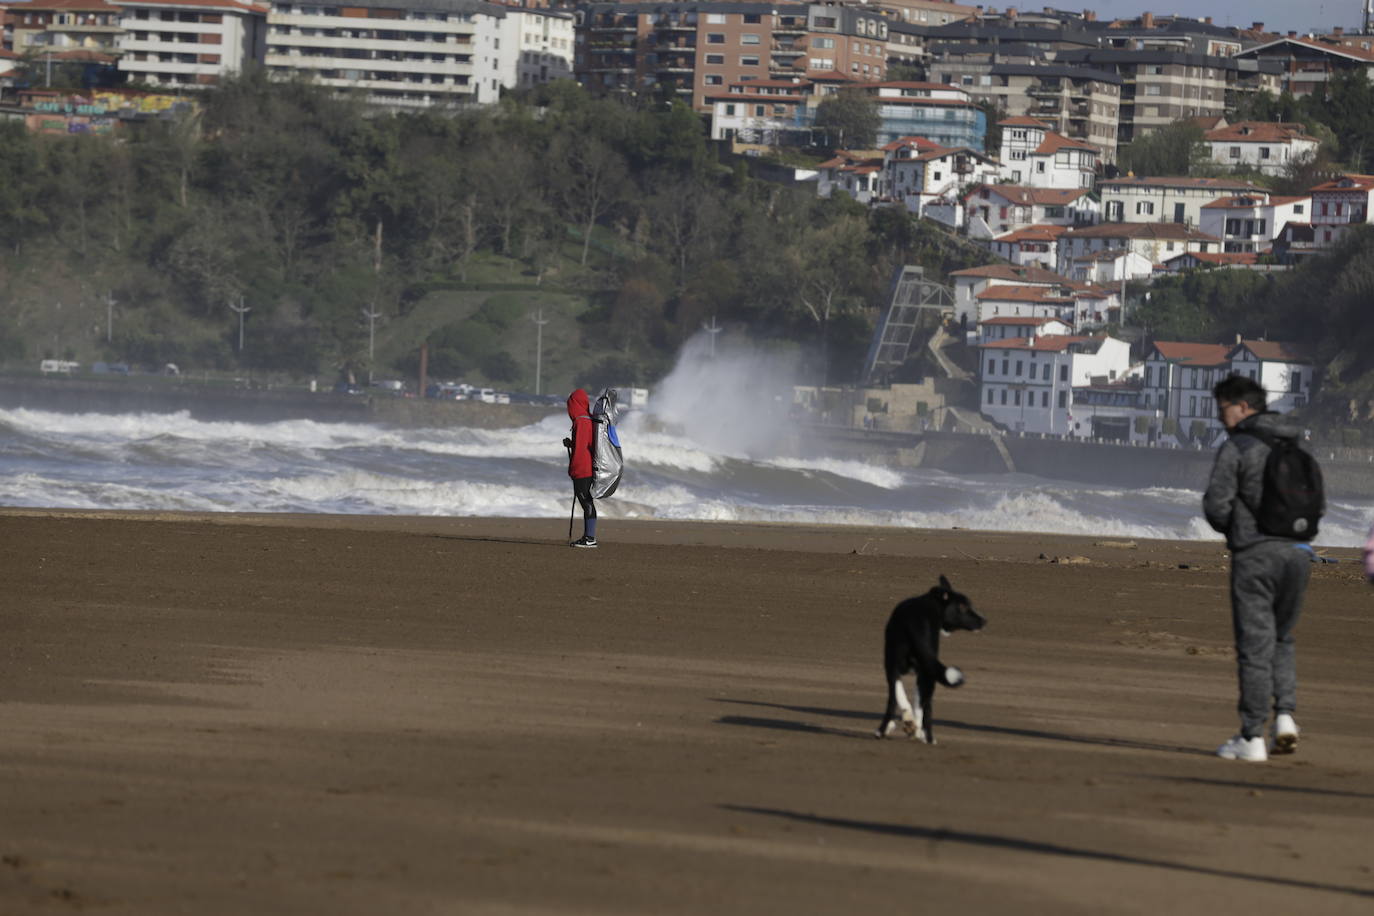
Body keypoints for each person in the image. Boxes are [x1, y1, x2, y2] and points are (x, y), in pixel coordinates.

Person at [1203, 374, 1317, 762]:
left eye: (1224, 410)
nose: (1222, 419)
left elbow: (1215, 505)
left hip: (1255, 556)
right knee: (1282, 637)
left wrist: (1235, 529)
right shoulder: (1294, 442)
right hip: (1298, 554)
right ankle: (1284, 718)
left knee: (1254, 647)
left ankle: (1252, 737)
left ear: (1244, 407)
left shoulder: (1239, 446)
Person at [563, 388, 597, 548]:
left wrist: (573, 469)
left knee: (586, 500)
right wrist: (571, 443)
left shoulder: (581, 421)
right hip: (587, 465)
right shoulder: (587, 419)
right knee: (586, 500)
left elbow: (581, 448)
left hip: (583, 467)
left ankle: (590, 538)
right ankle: (588, 537)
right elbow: (583, 444)